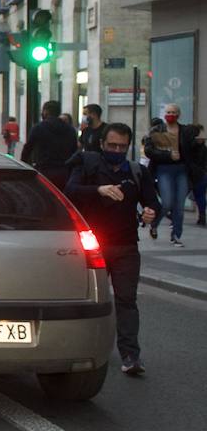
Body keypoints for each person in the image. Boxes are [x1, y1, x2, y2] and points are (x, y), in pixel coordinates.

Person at [65, 123, 160, 376]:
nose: (117, 150)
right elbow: (70, 191)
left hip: (126, 246)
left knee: (126, 300)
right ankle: (77, 349)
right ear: (102, 144)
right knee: (88, 301)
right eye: (112, 145)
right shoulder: (87, 165)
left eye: (122, 146)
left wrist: (152, 213)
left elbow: (152, 202)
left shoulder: (137, 172)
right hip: (93, 247)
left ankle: (130, 355)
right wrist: (98, 190)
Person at [144, 102, 205, 246]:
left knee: (179, 205)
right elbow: (149, 150)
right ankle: (154, 224)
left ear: (178, 115)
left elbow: (192, 151)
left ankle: (176, 235)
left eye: (173, 112)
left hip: (182, 170)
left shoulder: (185, 131)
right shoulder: (157, 130)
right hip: (164, 169)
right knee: (167, 202)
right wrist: (168, 155)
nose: (170, 115)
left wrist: (197, 144)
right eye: (168, 112)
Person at [21, 100, 80, 191]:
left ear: (46, 111)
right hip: (64, 172)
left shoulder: (38, 127)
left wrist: (24, 167)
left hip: (45, 171)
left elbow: (27, 149)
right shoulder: (70, 129)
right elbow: (74, 151)